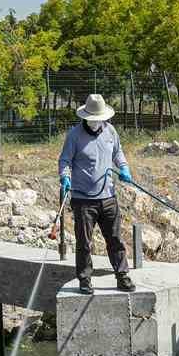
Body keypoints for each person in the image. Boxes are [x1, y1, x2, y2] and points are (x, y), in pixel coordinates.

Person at [59, 94, 135, 295]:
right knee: (84, 242)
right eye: (92, 119)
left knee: (115, 239)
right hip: (83, 200)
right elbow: (65, 160)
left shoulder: (110, 131)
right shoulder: (74, 135)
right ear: (85, 117)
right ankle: (84, 279)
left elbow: (118, 153)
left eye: (99, 119)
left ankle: (122, 276)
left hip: (108, 197)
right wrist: (65, 177)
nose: (95, 123)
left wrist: (124, 168)